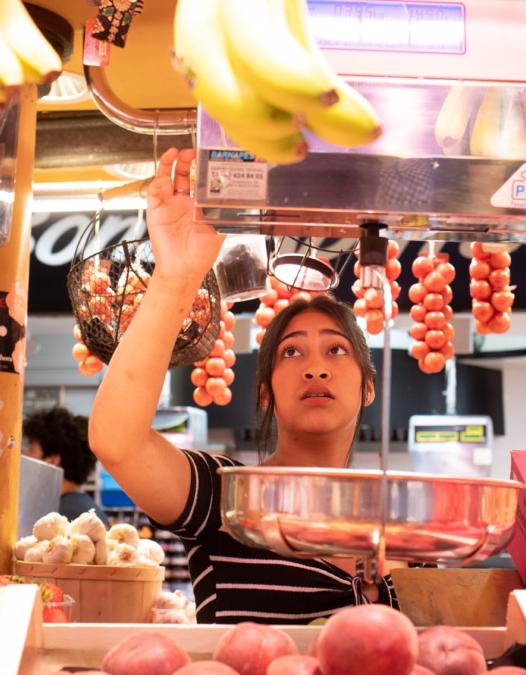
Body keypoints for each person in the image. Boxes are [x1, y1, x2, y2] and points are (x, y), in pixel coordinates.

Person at [90, 147, 406, 624]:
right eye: (292, 352)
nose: (315, 368)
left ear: (368, 387)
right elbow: (118, 442)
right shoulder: (225, 496)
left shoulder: (407, 523)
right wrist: (176, 276)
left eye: (337, 351)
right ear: (264, 393)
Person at [23, 407, 101, 521]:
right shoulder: (87, 508)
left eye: (31, 448)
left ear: (52, 460)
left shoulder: (58, 519)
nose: (25, 454)